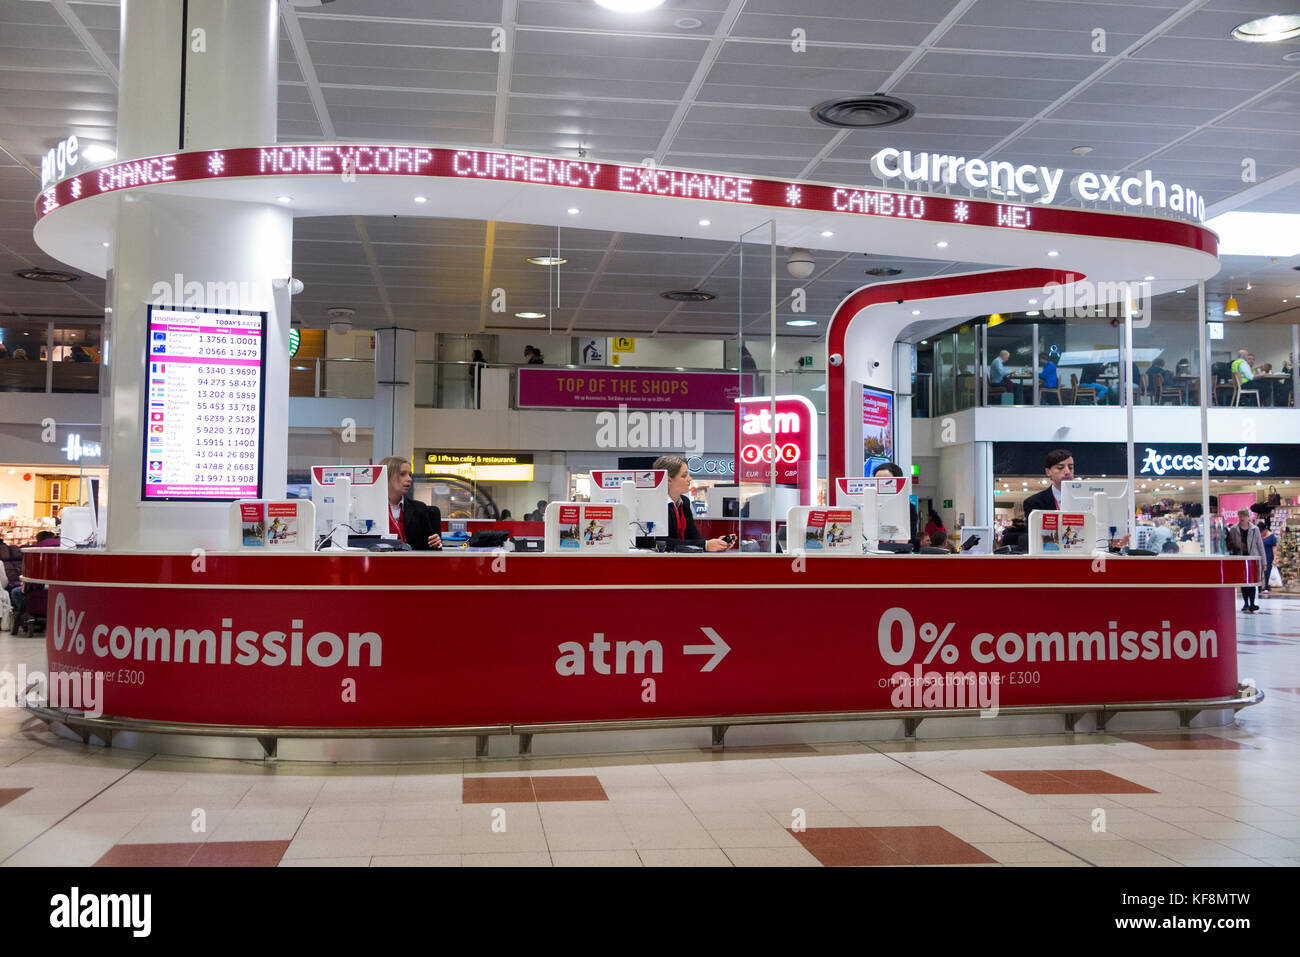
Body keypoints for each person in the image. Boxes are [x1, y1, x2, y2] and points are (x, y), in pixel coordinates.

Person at [653, 455, 732, 552]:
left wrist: (715, 543)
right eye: (684, 475)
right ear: (668, 480)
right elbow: (661, 542)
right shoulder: (654, 504)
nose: (689, 479)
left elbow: (694, 537)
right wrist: (705, 545)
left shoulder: (684, 502)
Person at [378, 455, 441, 549]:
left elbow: (429, 550)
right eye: (403, 474)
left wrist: (436, 544)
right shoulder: (370, 508)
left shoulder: (420, 509)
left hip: (411, 561)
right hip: (378, 560)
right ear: (386, 475)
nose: (409, 479)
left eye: (410, 475)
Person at [1226, 509, 1264, 612]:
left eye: (1244, 516)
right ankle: (1246, 603)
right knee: (1243, 582)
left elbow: (1260, 546)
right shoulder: (1234, 529)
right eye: (1240, 516)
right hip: (1240, 559)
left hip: (1252, 559)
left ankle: (1252, 603)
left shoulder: (1255, 529)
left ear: (1248, 517)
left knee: (1252, 582)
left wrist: (1264, 562)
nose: (1242, 518)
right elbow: (1231, 544)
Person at [1260, 521, 1277, 597]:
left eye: (1262, 532)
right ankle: (1259, 586)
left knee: (1267, 572)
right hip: (1259, 556)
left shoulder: (1272, 537)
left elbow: (1274, 548)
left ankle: (1266, 586)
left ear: (1265, 530)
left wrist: (1275, 559)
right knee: (1259, 572)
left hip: (1268, 556)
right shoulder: (1259, 536)